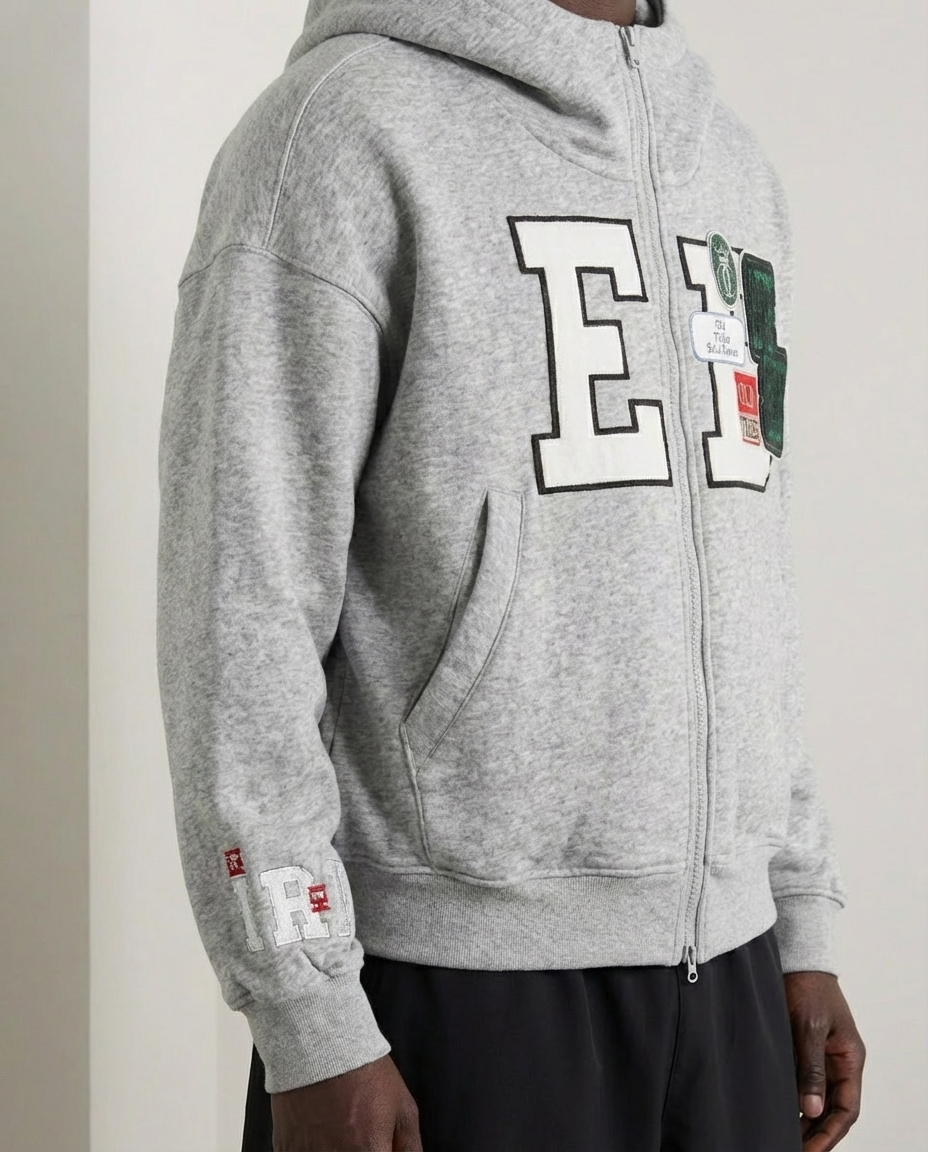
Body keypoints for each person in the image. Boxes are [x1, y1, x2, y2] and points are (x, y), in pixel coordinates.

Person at [156, 0, 866, 1148]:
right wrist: (307, 1011)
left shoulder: (727, 163)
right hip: (452, 991)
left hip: (733, 979)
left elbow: (743, 572)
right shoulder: (338, 131)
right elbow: (237, 616)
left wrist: (795, 914)